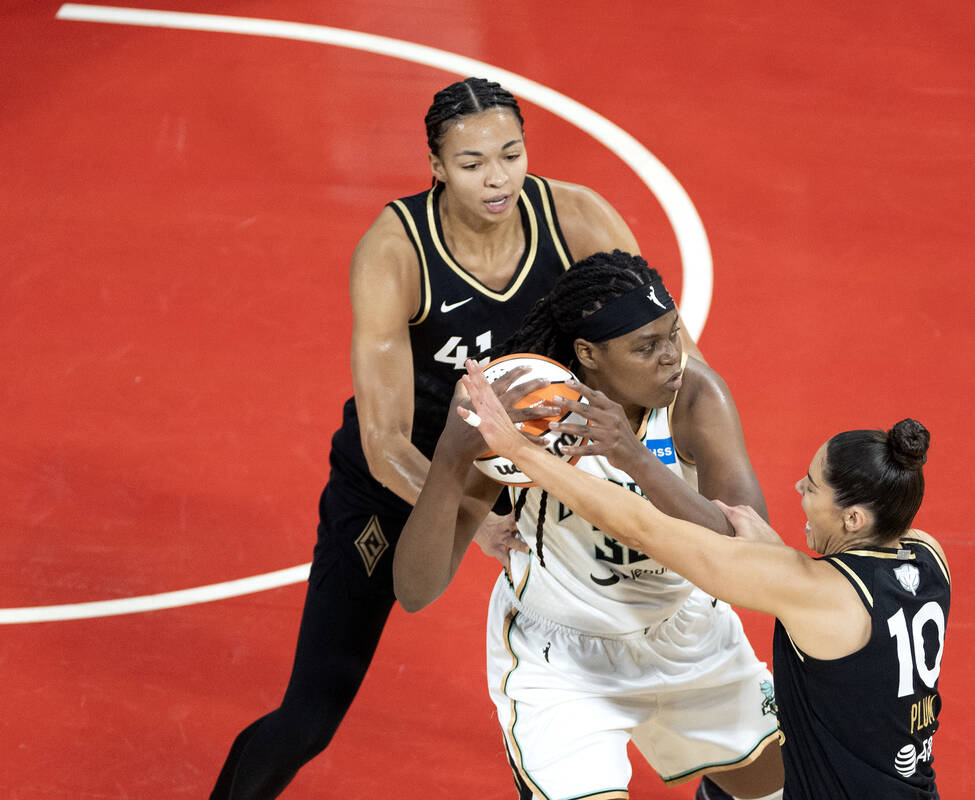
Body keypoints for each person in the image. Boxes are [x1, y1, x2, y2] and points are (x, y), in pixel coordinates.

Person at [209, 77, 677, 799]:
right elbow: (385, 439)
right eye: (471, 163)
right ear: (434, 164)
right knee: (309, 718)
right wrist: (475, 515)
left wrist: (660, 461)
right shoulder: (395, 250)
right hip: (410, 477)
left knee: (593, 677)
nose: (497, 178)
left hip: (541, 471)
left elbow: (668, 350)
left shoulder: (576, 219)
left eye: (511, 154)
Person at [392, 250, 785, 800]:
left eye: (673, 333)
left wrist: (636, 459)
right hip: (564, 662)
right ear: (587, 354)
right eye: (646, 347)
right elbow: (414, 590)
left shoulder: (695, 396)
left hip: (687, 636)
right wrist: (451, 459)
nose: (671, 357)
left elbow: (754, 561)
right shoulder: (527, 411)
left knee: (785, 790)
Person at [458, 363, 949, 800]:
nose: (799, 488)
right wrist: (776, 556)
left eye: (813, 485)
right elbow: (836, 599)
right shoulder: (930, 557)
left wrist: (521, 451)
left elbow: (641, 525)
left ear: (856, 519)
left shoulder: (816, 591)